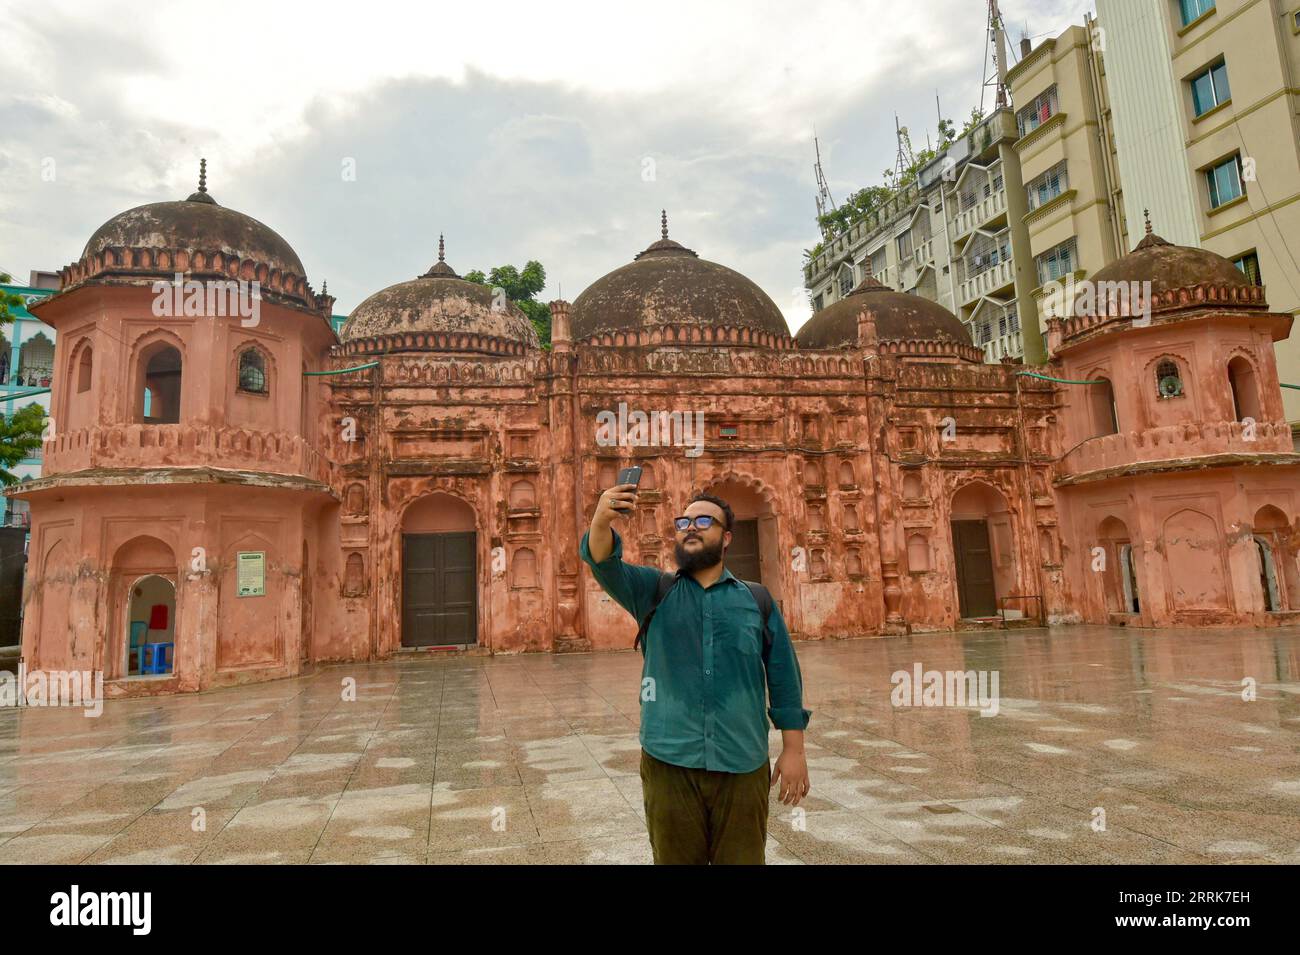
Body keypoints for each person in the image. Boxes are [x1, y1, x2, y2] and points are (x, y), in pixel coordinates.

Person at [579, 483, 811, 864]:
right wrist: (602, 517)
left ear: (726, 537)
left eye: (704, 520)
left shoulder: (756, 600)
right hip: (670, 760)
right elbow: (602, 560)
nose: (691, 527)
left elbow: (784, 675)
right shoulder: (653, 591)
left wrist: (794, 749)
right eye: (684, 521)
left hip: (742, 761)